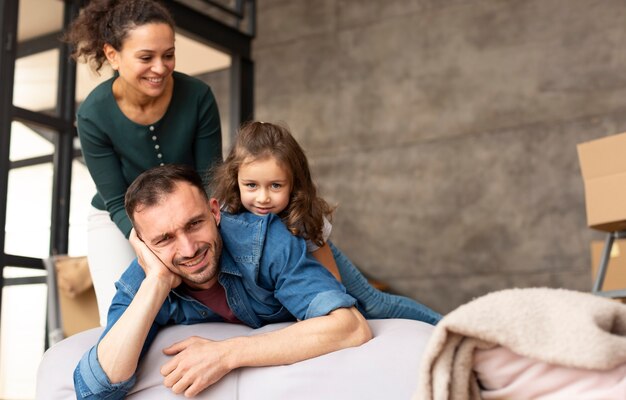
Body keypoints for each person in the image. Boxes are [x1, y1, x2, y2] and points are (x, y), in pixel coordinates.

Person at [73, 164, 371, 399]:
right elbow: (96, 389)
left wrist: (226, 353)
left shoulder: (264, 241)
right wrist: (157, 281)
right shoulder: (142, 279)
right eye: (164, 239)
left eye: (195, 224)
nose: (189, 249)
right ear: (143, 246)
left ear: (214, 211)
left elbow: (351, 326)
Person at [64, 0, 222, 325]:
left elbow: (211, 181)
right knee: (125, 318)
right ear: (113, 56)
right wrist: (149, 250)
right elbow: (114, 200)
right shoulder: (92, 115)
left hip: (187, 211)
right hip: (118, 217)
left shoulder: (198, 96)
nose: (161, 68)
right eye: (146, 57)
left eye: (169, 54)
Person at [210, 121, 441, 325]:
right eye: (251, 185)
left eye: (276, 186)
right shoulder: (226, 212)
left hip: (319, 259)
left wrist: (329, 303)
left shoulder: (302, 215)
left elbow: (331, 276)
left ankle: (442, 323)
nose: (263, 198)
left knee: (373, 303)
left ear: (293, 184)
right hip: (289, 276)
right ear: (235, 180)